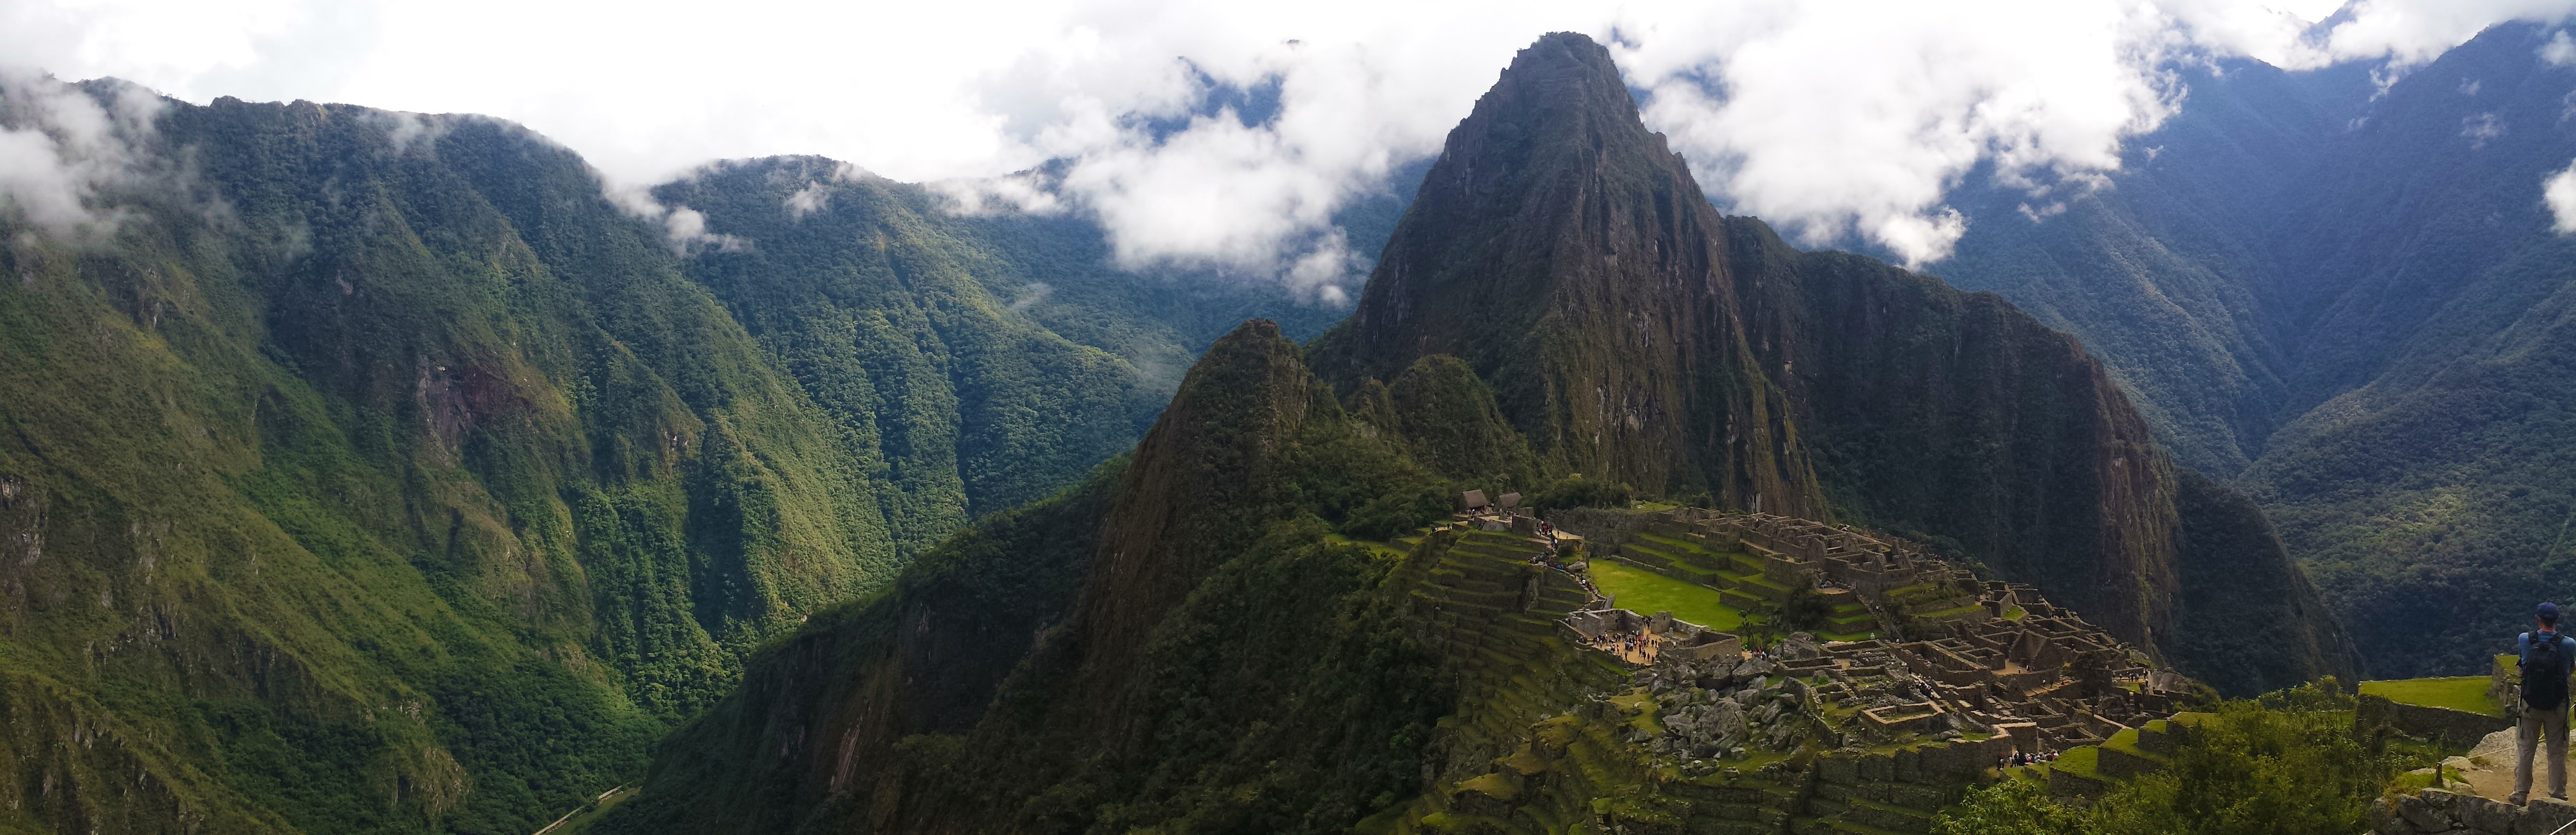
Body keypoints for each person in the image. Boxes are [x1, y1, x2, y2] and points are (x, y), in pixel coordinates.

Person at [2515, 602, 2576, 804]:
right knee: (2557, 751)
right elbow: (2569, 670)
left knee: (2526, 748)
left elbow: (2523, 666)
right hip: (2558, 705)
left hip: (2529, 703)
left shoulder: (2525, 639)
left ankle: (2520, 793)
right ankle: (2557, 795)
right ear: (2557, 621)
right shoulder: (2569, 644)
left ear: (2537, 619)